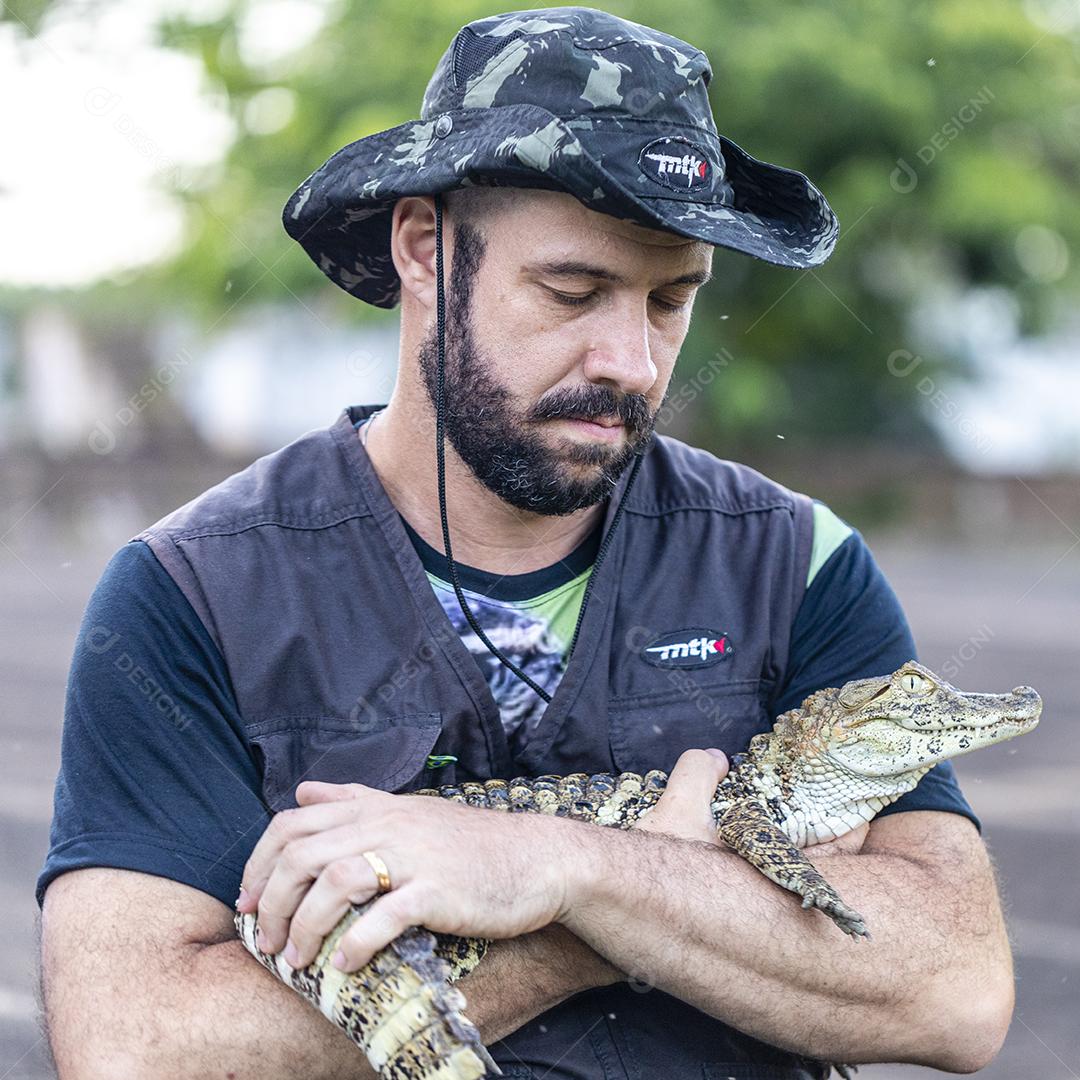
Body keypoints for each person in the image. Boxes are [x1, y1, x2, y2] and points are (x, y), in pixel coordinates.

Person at [37, 8, 1014, 1079]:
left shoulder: (797, 562)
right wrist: (632, 910)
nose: (634, 361)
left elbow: (954, 990)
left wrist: (566, 869)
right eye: (573, 290)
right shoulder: (191, 593)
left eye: (671, 299)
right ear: (425, 248)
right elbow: (133, 1044)